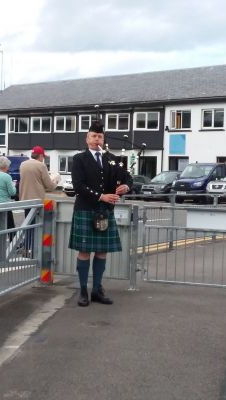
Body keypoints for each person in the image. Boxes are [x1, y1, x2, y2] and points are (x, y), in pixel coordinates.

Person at [69, 121, 133, 307]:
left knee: (102, 251)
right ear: (87, 139)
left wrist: (126, 186)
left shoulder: (111, 158)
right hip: (86, 209)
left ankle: (96, 290)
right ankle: (83, 290)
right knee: (84, 251)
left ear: (103, 139)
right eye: (93, 136)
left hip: (105, 212)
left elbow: (127, 176)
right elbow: (78, 186)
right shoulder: (79, 159)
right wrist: (101, 196)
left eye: (100, 136)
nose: (97, 139)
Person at [19, 146, 60, 252]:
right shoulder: (41, 166)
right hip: (37, 200)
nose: (43, 159)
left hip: (25, 198)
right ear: (40, 156)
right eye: (43, 156)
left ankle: (26, 247)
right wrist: (56, 180)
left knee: (28, 224)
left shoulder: (23, 164)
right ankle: (33, 250)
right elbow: (49, 186)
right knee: (38, 225)